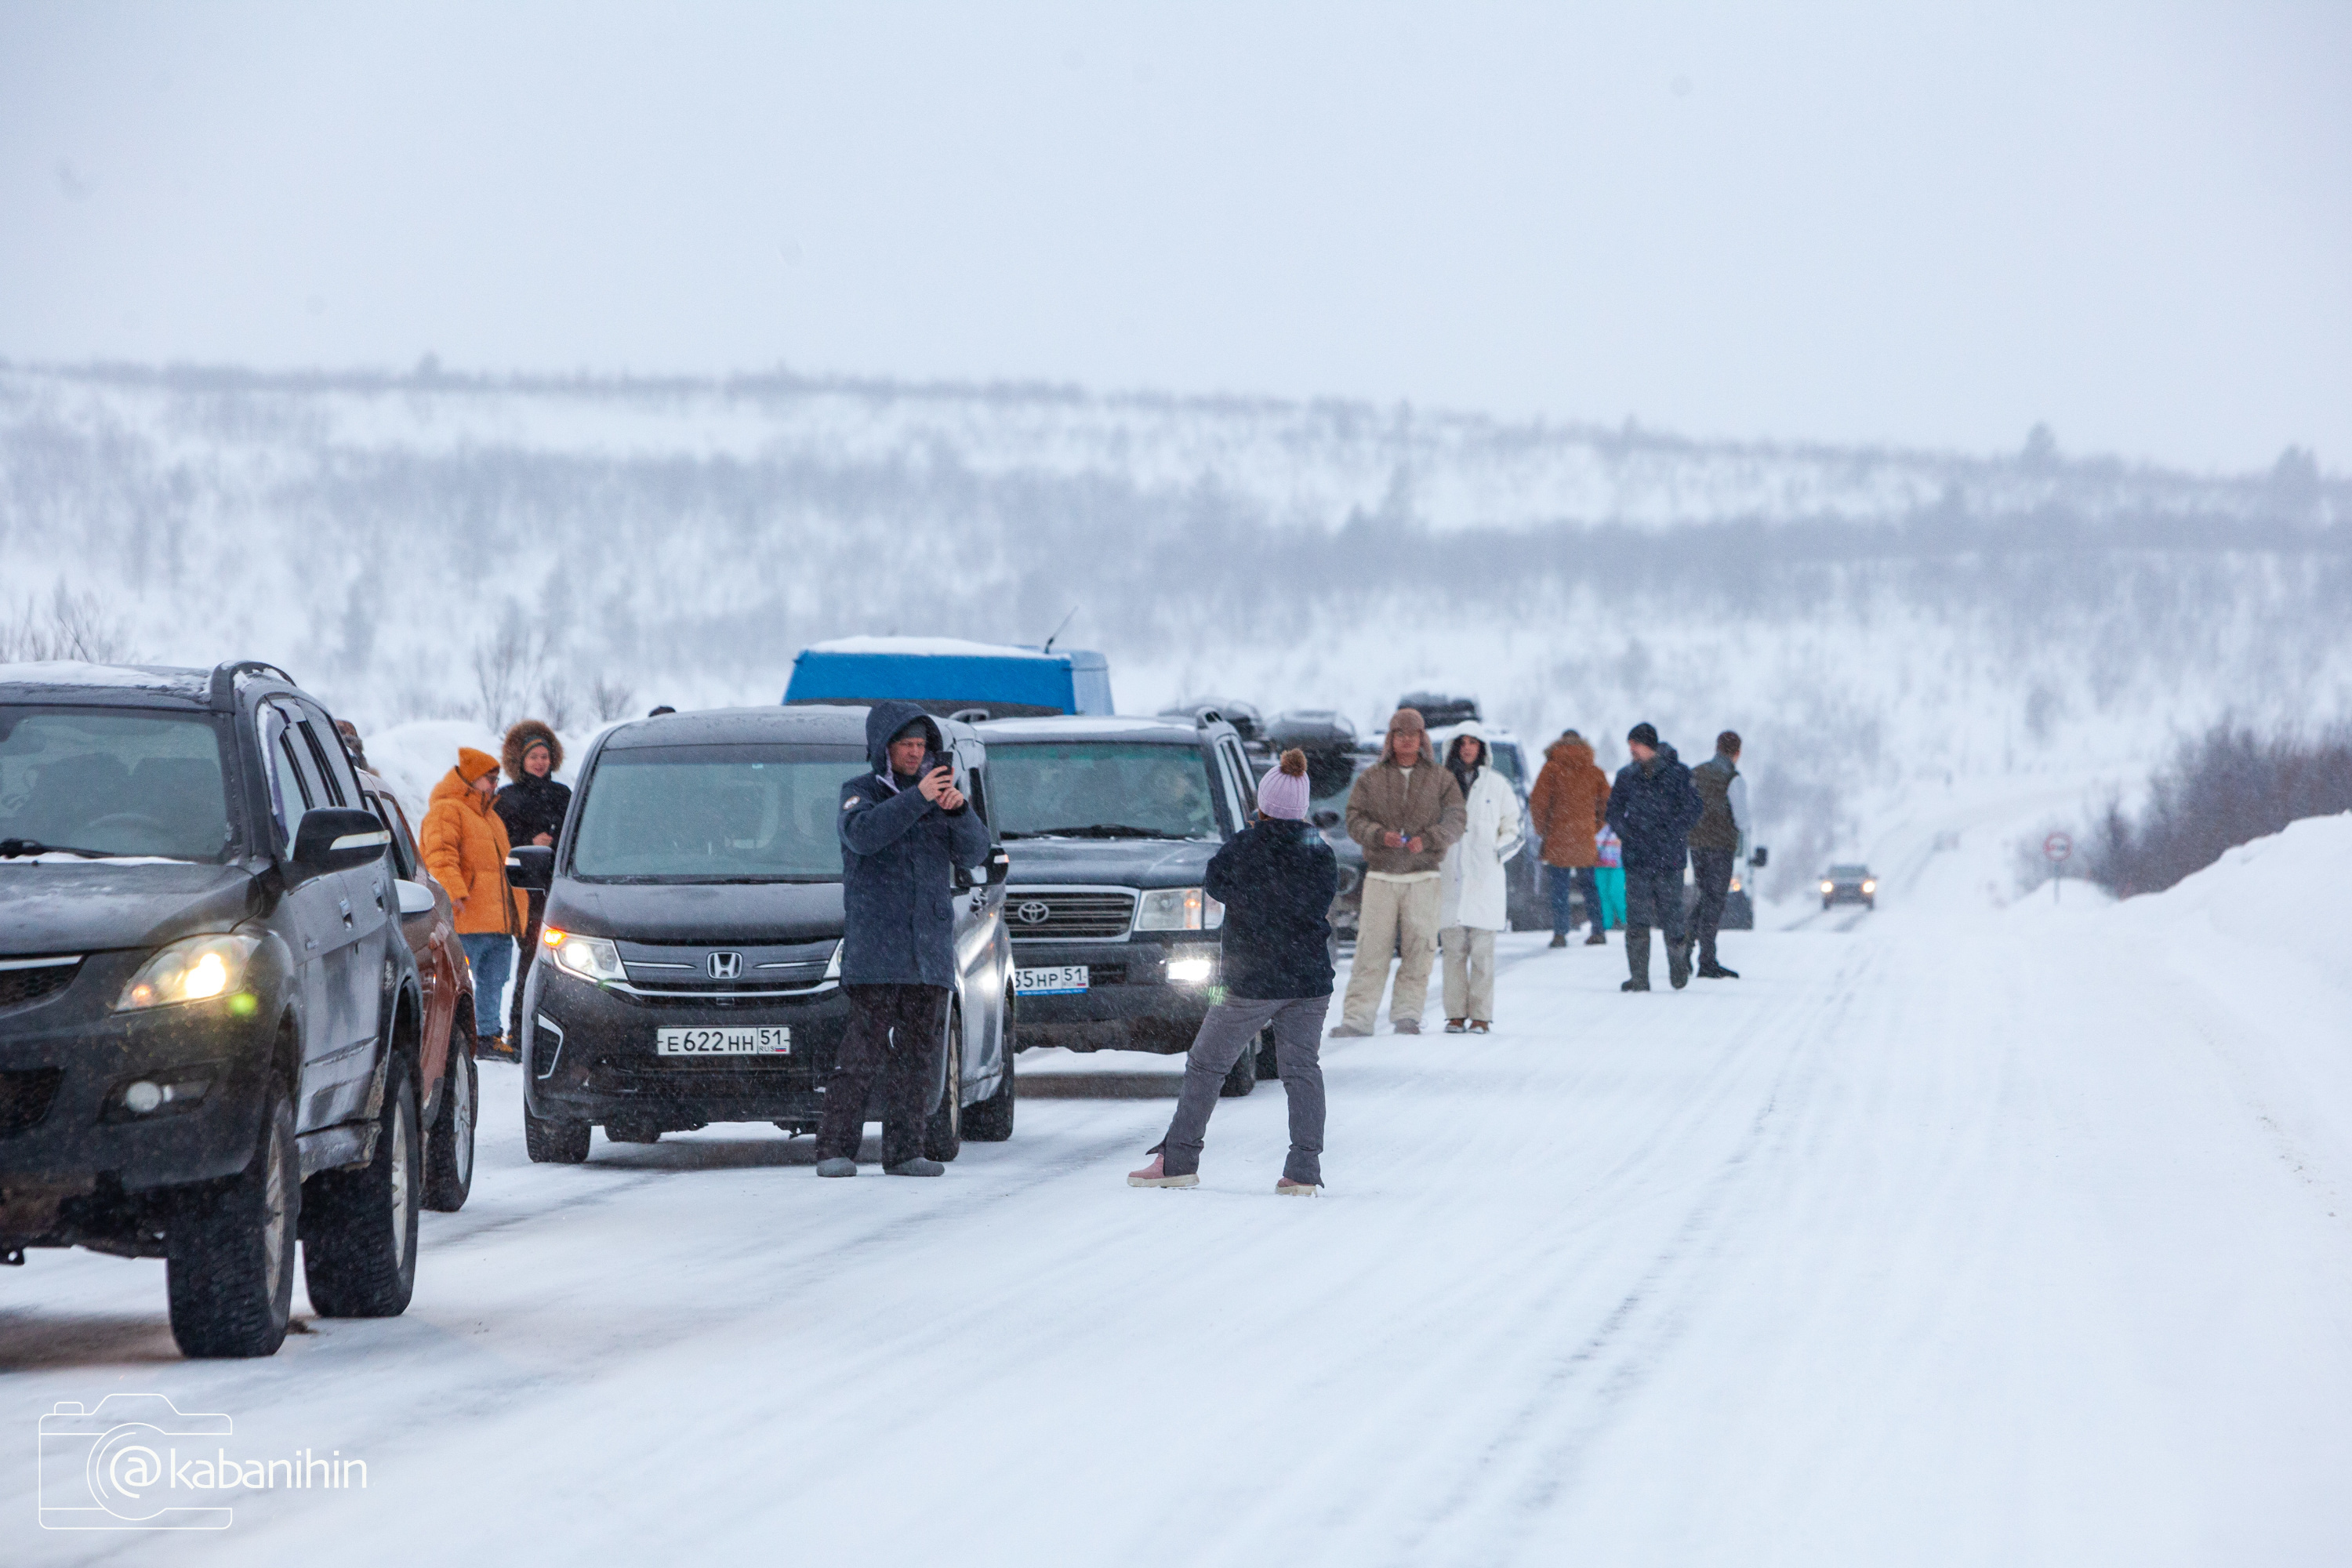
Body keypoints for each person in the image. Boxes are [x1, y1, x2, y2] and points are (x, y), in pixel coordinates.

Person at [1129, 748, 1338, 1195]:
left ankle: (1178, 1160)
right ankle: (1303, 1170)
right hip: (1310, 983)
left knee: (1206, 1064)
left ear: (1262, 804)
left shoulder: (1245, 845)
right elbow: (1318, 902)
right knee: (1301, 1070)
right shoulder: (1318, 849)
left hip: (1245, 983)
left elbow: (1216, 884)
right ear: (1300, 806)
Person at [813, 702, 990, 1178]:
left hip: (927, 950)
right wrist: (918, 800)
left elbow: (976, 853)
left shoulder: (940, 795)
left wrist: (959, 811)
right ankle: (835, 1149)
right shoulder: (861, 794)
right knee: (861, 1054)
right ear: (884, 750)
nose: (916, 754)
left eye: (921, 746)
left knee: (919, 1056)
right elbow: (864, 837)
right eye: (907, 746)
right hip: (877, 950)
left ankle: (906, 1150)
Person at [1334, 708, 1465, 1037]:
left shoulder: (1441, 778)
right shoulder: (1371, 779)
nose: (1406, 740)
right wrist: (1379, 835)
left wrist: (1430, 839)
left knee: (1419, 948)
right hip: (1381, 876)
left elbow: (1456, 819)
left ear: (1423, 739)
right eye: (1399, 733)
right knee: (1370, 950)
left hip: (1423, 877)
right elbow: (1353, 818)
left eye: (1413, 734)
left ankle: (1408, 1014)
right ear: (1390, 739)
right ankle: (1357, 1019)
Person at [419, 746, 528, 1057]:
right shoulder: (447, 810)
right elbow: (439, 856)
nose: (495, 785)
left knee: (494, 982)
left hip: (497, 921)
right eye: (488, 779)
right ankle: (457, 1037)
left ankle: (488, 1035)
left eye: (496, 779)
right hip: (466, 918)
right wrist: (453, 893)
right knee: (458, 984)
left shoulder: (491, 817)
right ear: (470, 779)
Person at [1604, 722, 1704, 992]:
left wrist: (1672, 831)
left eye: (1634, 745)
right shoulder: (1627, 776)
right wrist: (1625, 831)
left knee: (1672, 916)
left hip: (1668, 858)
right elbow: (1612, 810)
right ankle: (1639, 978)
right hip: (1636, 858)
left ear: (1647, 745)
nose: (1631, 750)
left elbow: (1694, 808)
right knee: (1636, 919)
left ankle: (1679, 966)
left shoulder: (1679, 774)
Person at [1437, 724, 1523, 1033]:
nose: (1468, 749)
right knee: (1453, 955)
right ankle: (1455, 1015)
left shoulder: (1497, 785)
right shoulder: (1441, 785)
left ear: (1482, 748)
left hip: (1486, 879)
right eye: (1462, 743)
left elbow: (1514, 827)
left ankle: (1482, 1017)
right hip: (1450, 879)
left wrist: (1498, 852)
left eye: (1474, 743)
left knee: (1483, 956)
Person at [494, 719, 572, 1038]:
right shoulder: (507, 797)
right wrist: (528, 840)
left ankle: (560, 1029)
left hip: (560, 889)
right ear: (520, 761)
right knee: (530, 962)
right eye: (533, 757)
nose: (540, 763)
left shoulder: (564, 793)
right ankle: (520, 1030)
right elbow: (498, 842)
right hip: (524, 890)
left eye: (544, 756)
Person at [1529, 729, 1610, 949]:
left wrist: (1543, 829)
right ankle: (1598, 930)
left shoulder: (1551, 769)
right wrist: (1593, 827)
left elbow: (1538, 802)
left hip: (1558, 837)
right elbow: (1606, 805)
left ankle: (1560, 934)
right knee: (1590, 887)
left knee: (1559, 888)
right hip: (1584, 837)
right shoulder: (1594, 771)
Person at [1687, 730, 1750, 979]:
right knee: (1714, 902)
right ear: (1737, 752)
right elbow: (1742, 819)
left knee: (1704, 897)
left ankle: (1686, 947)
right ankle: (1706, 959)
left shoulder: (1696, 773)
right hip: (1721, 846)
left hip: (1696, 844)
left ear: (1716, 748)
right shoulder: (1734, 778)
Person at [1594, 823, 1628, 934]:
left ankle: (1626, 921)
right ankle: (1607, 924)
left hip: (1617, 861)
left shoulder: (1618, 816)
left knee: (1616, 892)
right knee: (1603, 894)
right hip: (1599, 861)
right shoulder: (1594, 817)